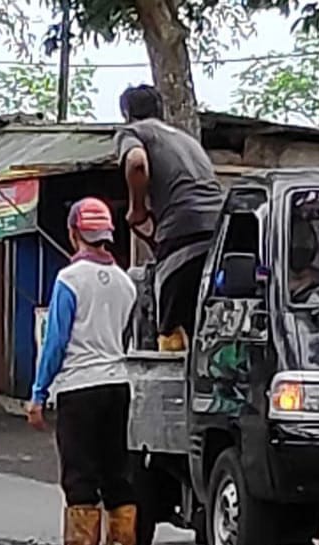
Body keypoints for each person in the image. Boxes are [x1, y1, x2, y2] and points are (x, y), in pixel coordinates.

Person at [26, 197, 138, 545]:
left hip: (79, 386)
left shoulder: (69, 280)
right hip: (117, 383)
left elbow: (55, 341)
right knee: (116, 473)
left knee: (79, 474)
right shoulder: (125, 281)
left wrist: (39, 393)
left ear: (73, 232)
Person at [116, 84, 224, 351]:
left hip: (182, 232)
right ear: (160, 110)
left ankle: (172, 385)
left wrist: (137, 207)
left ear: (127, 114)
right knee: (208, 322)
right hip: (221, 231)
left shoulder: (133, 132)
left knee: (170, 325)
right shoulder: (187, 139)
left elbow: (136, 162)